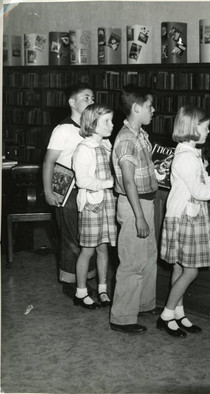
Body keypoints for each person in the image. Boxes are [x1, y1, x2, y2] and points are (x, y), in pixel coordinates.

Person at [158, 105, 210, 337]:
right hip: (185, 217)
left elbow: (205, 178)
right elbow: (198, 190)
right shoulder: (186, 157)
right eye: (205, 128)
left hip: (188, 215)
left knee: (180, 267)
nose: (209, 131)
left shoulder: (192, 152)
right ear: (192, 128)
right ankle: (166, 315)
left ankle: (178, 313)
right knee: (191, 271)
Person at [110, 84, 158, 335]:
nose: (153, 110)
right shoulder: (126, 138)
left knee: (148, 256)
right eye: (150, 106)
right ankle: (122, 318)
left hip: (145, 202)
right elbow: (128, 181)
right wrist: (139, 216)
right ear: (137, 108)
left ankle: (144, 304)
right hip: (133, 206)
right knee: (132, 261)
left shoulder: (139, 134)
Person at [42, 83, 96, 298]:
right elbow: (49, 162)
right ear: (72, 103)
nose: (91, 102)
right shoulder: (63, 129)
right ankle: (70, 281)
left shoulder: (93, 128)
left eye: (92, 98)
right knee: (71, 237)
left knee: (88, 237)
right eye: (86, 98)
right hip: (68, 192)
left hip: (88, 190)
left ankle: (84, 280)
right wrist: (48, 191)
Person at [72, 103, 116, 309]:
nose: (112, 124)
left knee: (103, 248)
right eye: (106, 121)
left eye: (111, 120)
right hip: (92, 204)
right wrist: (110, 183)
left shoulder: (106, 145)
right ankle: (80, 292)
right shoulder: (84, 148)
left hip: (107, 203)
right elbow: (82, 181)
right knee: (88, 250)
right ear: (92, 123)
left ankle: (102, 288)